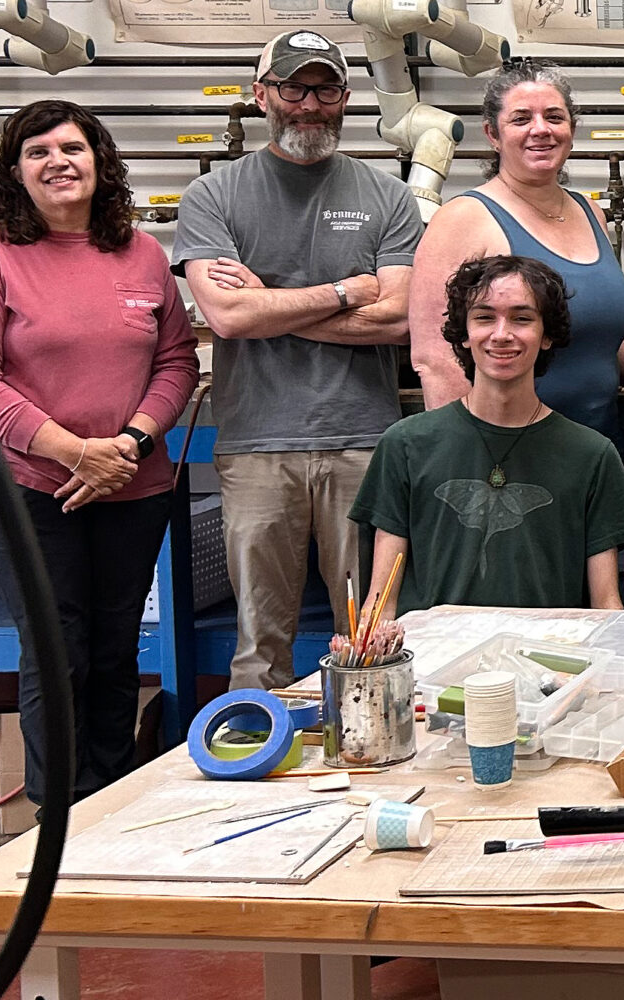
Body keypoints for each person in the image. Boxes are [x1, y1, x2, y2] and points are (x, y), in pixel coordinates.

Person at [0, 100, 198, 801]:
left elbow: (176, 360)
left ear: (99, 162)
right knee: (58, 652)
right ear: (15, 172)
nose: (57, 162)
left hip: (131, 485)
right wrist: (73, 452)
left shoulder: (141, 253)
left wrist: (129, 443)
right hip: (26, 487)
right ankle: (59, 813)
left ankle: (109, 801)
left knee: (116, 650)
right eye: (38, 152)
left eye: (72, 148)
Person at [174, 29, 420, 692]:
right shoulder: (213, 196)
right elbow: (229, 318)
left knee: (372, 640)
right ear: (262, 96)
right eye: (293, 87)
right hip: (257, 445)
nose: (310, 103)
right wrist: (346, 292)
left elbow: (399, 318)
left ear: (346, 98)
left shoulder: (389, 196)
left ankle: (369, 748)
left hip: (365, 444)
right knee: (260, 646)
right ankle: (256, 755)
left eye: (325, 89)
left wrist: (270, 303)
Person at [352, 256, 624, 615]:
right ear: (464, 333)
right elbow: (380, 605)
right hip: (434, 649)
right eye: (484, 317)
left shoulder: (592, 455)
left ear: (547, 335)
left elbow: (606, 605)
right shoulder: (406, 444)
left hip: (546, 650)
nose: (502, 334)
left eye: (522, 318)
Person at [410, 59, 624, 441]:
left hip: (598, 446)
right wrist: (470, 455)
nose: (540, 129)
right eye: (521, 119)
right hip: (506, 449)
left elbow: (598, 337)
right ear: (493, 134)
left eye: (554, 117)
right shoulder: (463, 218)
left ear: (571, 129)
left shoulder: (589, 211)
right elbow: (436, 360)